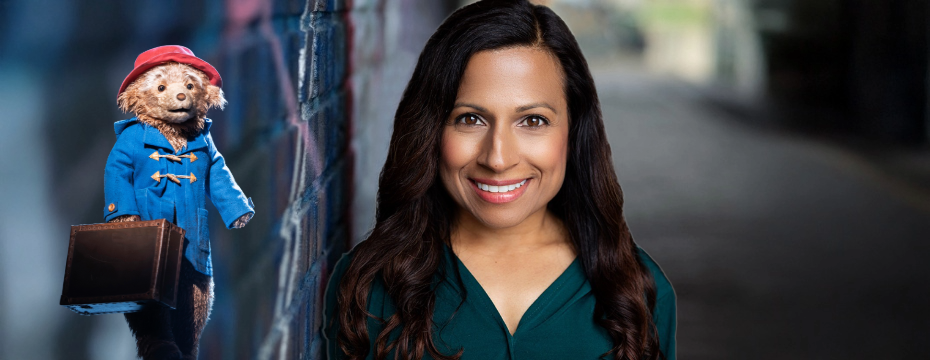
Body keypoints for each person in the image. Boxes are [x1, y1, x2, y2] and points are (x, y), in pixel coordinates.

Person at [323, 1, 675, 359]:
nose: (498, 158)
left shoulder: (636, 291)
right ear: (430, 130)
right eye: (471, 119)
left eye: (533, 121)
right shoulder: (370, 289)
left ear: (574, 131)